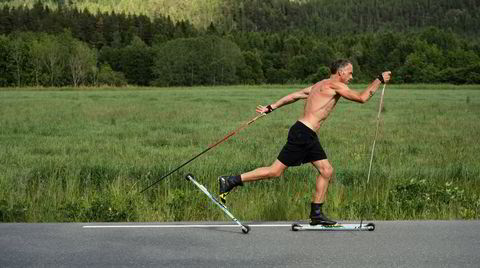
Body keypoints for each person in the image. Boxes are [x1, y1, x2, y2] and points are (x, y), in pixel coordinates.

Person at [218, 59, 391, 225]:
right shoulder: (335, 85)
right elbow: (362, 98)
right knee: (275, 171)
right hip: (303, 134)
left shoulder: (319, 85)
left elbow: (295, 95)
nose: (351, 77)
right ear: (341, 72)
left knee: (326, 170)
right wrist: (378, 80)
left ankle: (316, 214)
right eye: (350, 73)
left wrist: (271, 107)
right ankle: (231, 181)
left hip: (306, 133)